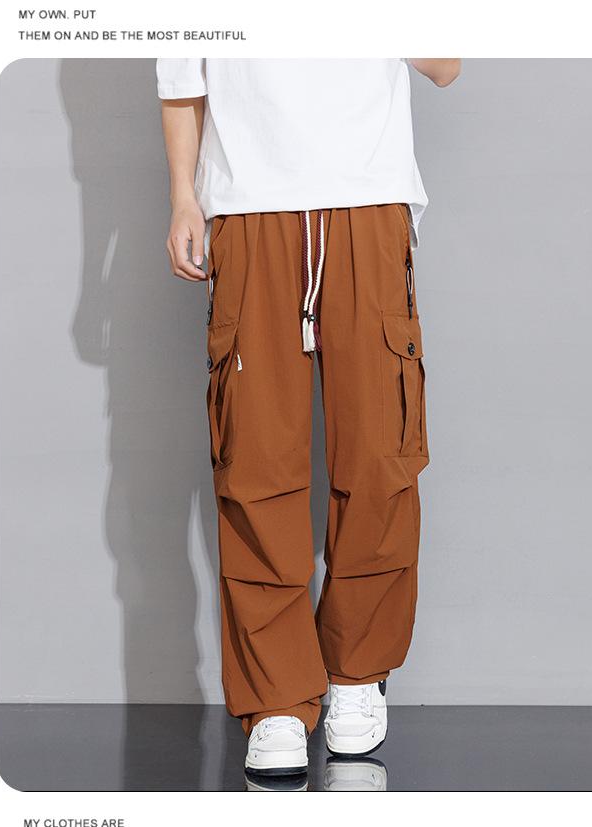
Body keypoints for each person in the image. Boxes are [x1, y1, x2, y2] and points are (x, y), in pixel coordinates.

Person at [157, 57, 460, 777]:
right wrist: (182, 196)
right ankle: (275, 698)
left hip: (368, 198)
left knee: (380, 456)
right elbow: (181, 79)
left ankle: (357, 673)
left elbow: (445, 64)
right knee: (256, 463)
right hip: (249, 205)